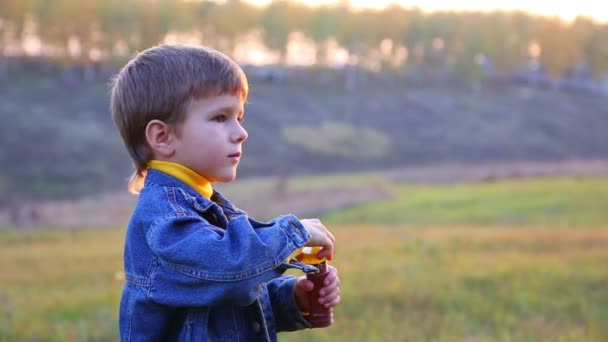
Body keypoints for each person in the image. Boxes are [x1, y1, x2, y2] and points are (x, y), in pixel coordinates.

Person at [110, 44, 341, 341]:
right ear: (163, 137)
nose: (241, 132)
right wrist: (293, 233)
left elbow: (230, 298)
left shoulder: (204, 208)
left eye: (239, 118)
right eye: (221, 117)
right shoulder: (163, 218)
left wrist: (293, 299)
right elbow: (228, 267)